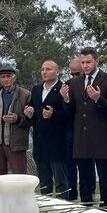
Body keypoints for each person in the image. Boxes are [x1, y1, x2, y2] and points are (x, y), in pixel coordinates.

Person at [62, 47, 107, 209]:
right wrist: (66, 99)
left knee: (103, 176)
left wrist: (98, 99)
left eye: (88, 62)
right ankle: (86, 205)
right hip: (81, 137)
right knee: (85, 176)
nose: (85, 66)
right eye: (82, 63)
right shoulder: (74, 83)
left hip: (101, 136)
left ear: (96, 61)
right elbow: (70, 112)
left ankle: (106, 207)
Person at [25, 60, 69, 195]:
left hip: (57, 142)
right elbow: (33, 110)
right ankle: (46, 208)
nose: (44, 72)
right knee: (44, 182)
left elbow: (69, 114)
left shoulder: (64, 88)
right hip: (40, 141)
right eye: (42, 69)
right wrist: (29, 113)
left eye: (48, 69)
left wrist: (53, 114)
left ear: (57, 71)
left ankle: (63, 208)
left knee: (61, 181)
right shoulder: (37, 89)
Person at [0, 65, 32, 176]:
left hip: (16, 143)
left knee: (19, 176)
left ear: (14, 77)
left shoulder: (25, 95)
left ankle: (20, 194)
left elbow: (31, 119)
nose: (6, 79)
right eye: (3, 76)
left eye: (8, 76)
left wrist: (17, 118)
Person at [64, 58, 82, 200]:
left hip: (86, 131)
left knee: (86, 165)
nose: (75, 77)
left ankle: (89, 193)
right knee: (70, 164)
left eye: (78, 74)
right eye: (72, 74)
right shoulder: (67, 86)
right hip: (70, 129)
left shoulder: (91, 85)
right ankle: (71, 193)